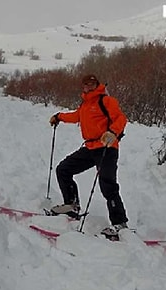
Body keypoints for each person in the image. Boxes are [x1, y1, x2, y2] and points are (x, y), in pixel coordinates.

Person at [48, 74, 129, 240]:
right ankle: (71, 205)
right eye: (86, 84)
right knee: (63, 169)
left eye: (92, 84)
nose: (88, 86)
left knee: (108, 184)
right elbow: (76, 116)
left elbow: (121, 118)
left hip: (107, 147)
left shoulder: (106, 101)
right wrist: (59, 117)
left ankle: (119, 224)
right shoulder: (86, 104)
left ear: (97, 85)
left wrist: (112, 132)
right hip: (90, 147)